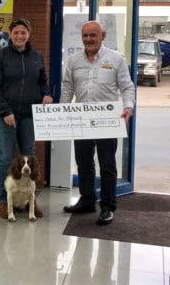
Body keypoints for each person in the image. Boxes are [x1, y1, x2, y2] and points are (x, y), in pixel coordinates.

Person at [60, 20, 135, 225]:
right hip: (81, 119)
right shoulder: (74, 60)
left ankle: (108, 207)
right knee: (83, 163)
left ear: (103, 36)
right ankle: (87, 200)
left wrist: (128, 107)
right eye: (85, 35)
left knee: (107, 164)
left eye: (93, 35)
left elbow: (127, 87)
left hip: (107, 120)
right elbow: (67, 88)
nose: (88, 39)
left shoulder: (116, 59)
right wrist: (62, 111)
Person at [0, 17, 53, 220]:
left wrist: (46, 94)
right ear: (10, 34)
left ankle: (30, 199)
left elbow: (42, 82)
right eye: (16, 32)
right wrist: (5, 111)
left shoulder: (36, 57)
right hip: (4, 115)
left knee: (29, 156)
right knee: (6, 157)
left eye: (23, 32)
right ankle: (2, 200)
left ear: (28, 34)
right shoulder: (0, 57)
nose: (19, 36)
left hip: (28, 115)